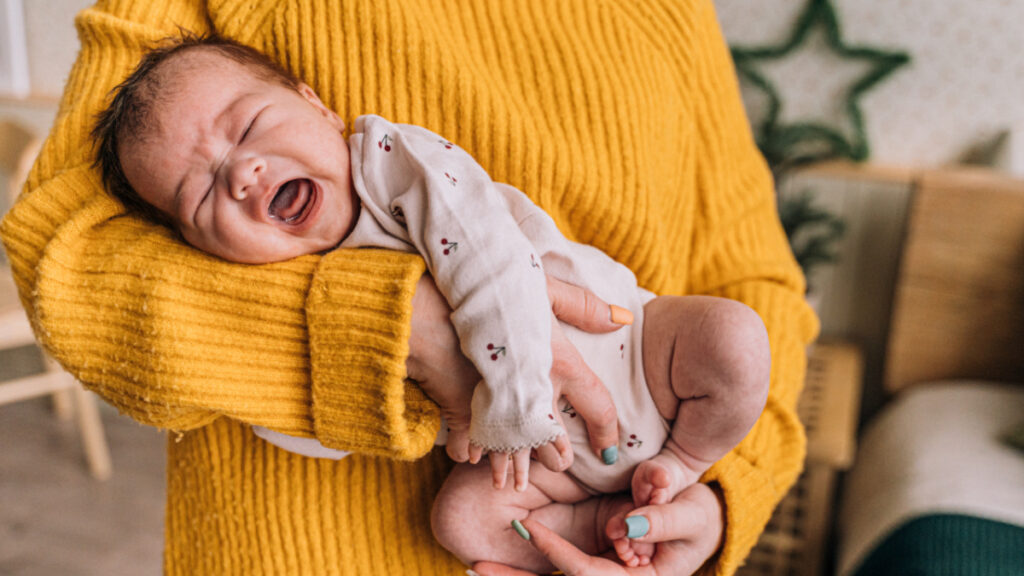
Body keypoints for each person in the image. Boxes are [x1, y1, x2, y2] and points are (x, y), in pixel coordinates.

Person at [0, 1, 819, 574]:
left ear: (310, 105)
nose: (243, 173)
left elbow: (761, 283)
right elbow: (65, 260)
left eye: (250, 132)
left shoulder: (401, 160)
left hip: (639, 427)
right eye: (205, 195)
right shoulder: (182, 97)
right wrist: (407, 329)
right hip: (327, 548)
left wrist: (709, 501)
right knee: (464, 515)